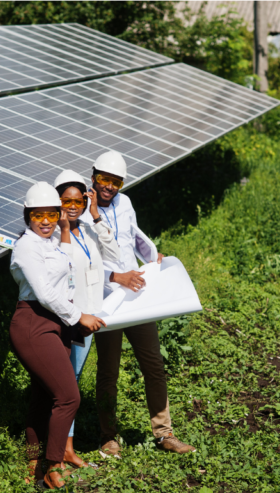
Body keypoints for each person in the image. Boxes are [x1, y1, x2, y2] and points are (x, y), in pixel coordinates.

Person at [83, 150, 196, 456]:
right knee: (108, 371)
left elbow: (134, 237)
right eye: (104, 179)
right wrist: (115, 277)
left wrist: (153, 258)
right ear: (93, 176)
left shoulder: (125, 203)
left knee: (154, 365)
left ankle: (164, 433)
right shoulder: (81, 211)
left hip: (137, 296)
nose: (109, 186)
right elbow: (82, 262)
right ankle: (108, 436)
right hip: (106, 300)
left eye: (116, 181)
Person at [9, 182, 106, 493]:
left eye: (52, 213)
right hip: (33, 323)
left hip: (54, 324)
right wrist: (80, 316)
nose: (46, 220)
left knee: (43, 396)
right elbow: (46, 293)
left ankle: (33, 464)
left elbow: (64, 263)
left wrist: (64, 228)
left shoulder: (50, 241)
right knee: (69, 397)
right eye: (39, 215)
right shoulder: (27, 247)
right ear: (28, 215)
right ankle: (53, 466)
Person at [52, 169, 121, 469]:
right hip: (71, 320)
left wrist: (96, 216)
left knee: (73, 383)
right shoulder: (52, 234)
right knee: (67, 386)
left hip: (91, 318)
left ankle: (65, 447)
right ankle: (61, 450)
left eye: (79, 200)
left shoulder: (89, 229)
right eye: (66, 200)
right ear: (56, 201)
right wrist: (64, 227)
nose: (73, 206)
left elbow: (115, 254)